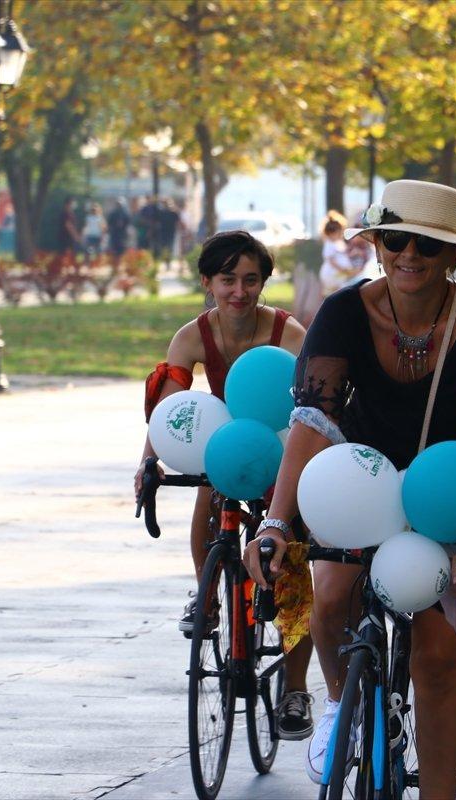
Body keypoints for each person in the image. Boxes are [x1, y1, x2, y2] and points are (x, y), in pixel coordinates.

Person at [243, 180, 456, 794]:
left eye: (427, 244)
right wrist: (275, 521)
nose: (409, 254)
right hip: (361, 481)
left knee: (437, 656)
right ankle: (341, 704)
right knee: (331, 598)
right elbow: (313, 421)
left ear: (453, 254)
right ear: (377, 244)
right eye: (394, 239)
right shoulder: (343, 313)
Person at [135, 231, 315, 739]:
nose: (239, 291)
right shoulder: (191, 336)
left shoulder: (289, 334)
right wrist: (148, 463)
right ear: (207, 282)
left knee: (290, 563)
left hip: (280, 446)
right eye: (228, 279)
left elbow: (313, 411)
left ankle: (296, 689)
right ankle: (207, 594)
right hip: (224, 444)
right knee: (208, 498)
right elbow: (171, 413)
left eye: (251, 280)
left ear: (263, 282)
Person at [317, 210, 358, 296]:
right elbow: (332, 261)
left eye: (340, 232)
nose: (340, 235)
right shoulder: (329, 244)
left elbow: (343, 255)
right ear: (330, 233)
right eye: (338, 233)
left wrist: (353, 254)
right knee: (338, 292)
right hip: (333, 273)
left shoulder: (339, 243)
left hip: (341, 273)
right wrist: (343, 270)